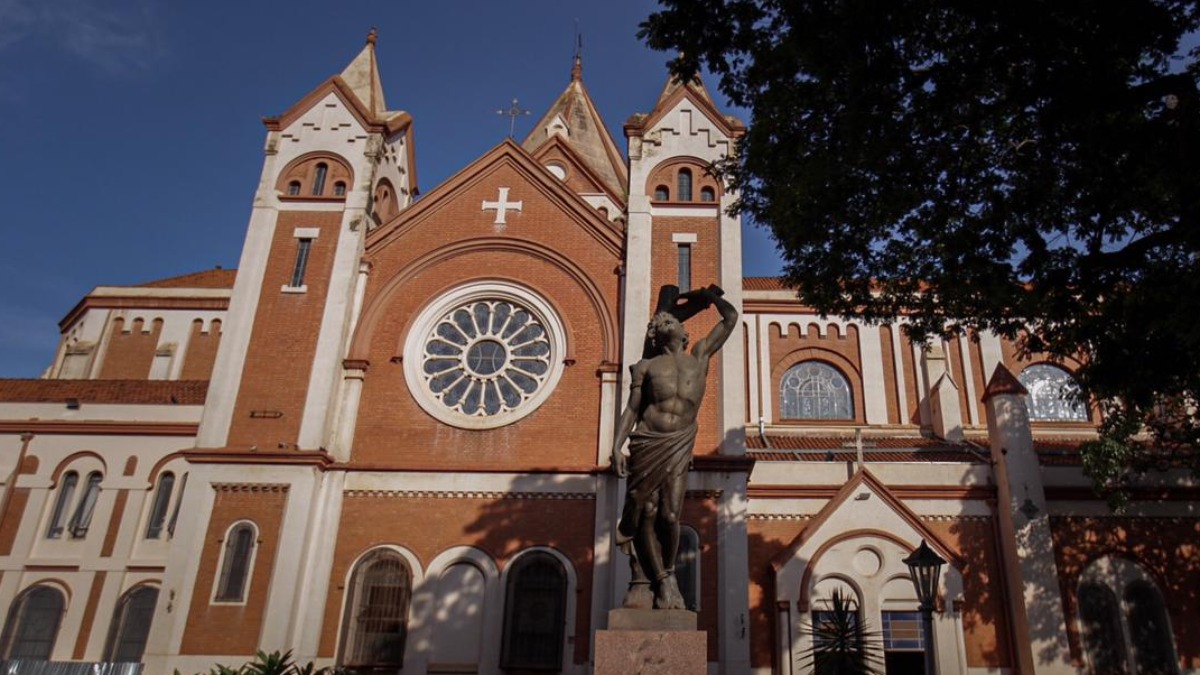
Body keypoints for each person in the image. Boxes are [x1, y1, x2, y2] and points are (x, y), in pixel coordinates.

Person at [612, 285, 737, 610]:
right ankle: (665, 580)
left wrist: (711, 298)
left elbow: (731, 317)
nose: (667, 323)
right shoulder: (646, 368)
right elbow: (632, 410)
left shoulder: (700, 356)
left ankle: (665, 573)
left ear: (683, 333)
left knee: (670, 515)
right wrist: (616, 445)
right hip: (647, 443)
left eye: (673, 321)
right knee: (647, 512)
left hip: (679, 444)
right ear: (656, 335)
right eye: (661, 322)